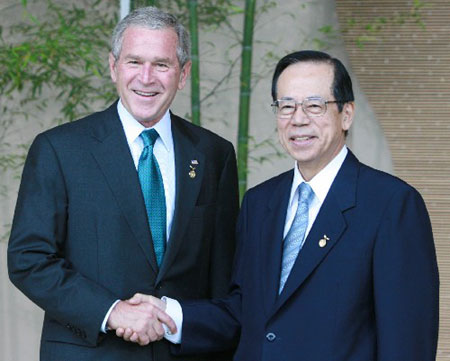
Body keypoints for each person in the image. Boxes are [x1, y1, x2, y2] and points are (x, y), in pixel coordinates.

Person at [122, 50, 440, 361]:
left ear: (346, 114)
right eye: (286, 106)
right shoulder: (260, 203)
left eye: (314, 105)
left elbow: (406, 340)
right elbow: (243, 310)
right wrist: (167, 314)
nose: (298, 119)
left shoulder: (392, 204)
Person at [7, 6, 239, 361]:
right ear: (113, 67)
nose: (146, 78)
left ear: (183, 73)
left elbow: (223, 279)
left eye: (161, 64)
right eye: (134, 62)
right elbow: (29, 259)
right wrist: (112, 310)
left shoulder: (213, 154)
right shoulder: (60, 149)